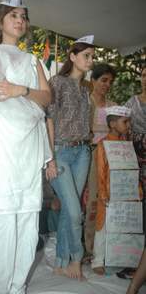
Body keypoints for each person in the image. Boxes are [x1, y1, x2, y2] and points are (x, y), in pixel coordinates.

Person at [0, 0, 52, 294]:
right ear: (1, 20)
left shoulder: (33, 60)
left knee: (27, 224)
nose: (20, 20)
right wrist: (33, 104)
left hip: (28, 155)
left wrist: (21, 90)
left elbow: (48, 98)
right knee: (3, 223)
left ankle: (17, 287)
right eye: (14, 15)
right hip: (2, 150)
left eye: (23, 16)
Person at [46, 35, 95, 279]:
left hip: (83, 152)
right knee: (75, 212)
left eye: (92, 56)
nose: (91, 60)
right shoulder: (57, 82)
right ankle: (75, 258)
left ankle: (60, 261)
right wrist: (50, 158)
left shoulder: (87, 89)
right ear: (72, 56)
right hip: (61, 151)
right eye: (86, 55)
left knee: (70, 208)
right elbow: (49, 119)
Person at [91, 105, 132, 275]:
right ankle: (97, 260)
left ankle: (118, 258)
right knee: (103, 226)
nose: (128, 125)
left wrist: (135, 190)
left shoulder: (127, 144)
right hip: (107, 192)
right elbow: (101, 170)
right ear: (113, 124)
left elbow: (131, 168)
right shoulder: (103, 144)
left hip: (124, 192)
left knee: (121, 226)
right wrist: (102, 192)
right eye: (125, 122)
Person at [84, 63, 116, 256]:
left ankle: (105, 248)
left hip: (111, 158)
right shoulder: (86, 103)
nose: (107, 85)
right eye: (103, 80)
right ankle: (89, 248)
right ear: (93, 80)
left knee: (107, 201)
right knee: (91, 203)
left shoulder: (114, 106)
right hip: (91, 157)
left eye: (110, 82)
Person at [125, 65, 146, 234]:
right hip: (134, 159)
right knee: (136, 197)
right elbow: (121, 126)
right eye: (144, 75)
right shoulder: (131, 103)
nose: (145, 79)